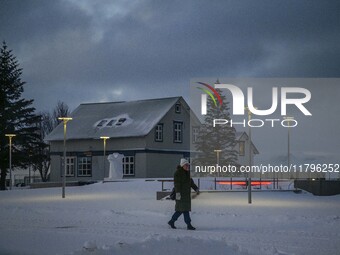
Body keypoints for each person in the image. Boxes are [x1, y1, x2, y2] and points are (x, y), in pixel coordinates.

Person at [168, 158, 199, 230]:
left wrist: (196, 188)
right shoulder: (178, 173)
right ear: (182, 165)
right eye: (186, 165)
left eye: (188, 165)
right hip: (181, 195)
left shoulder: (188, 173)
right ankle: (188, 225)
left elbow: (191, 183)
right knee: (184, 210)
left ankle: (172, 221)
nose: (187, 166)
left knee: (181, 210)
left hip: (186, 195)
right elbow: (177, 184)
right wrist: (178, 194)